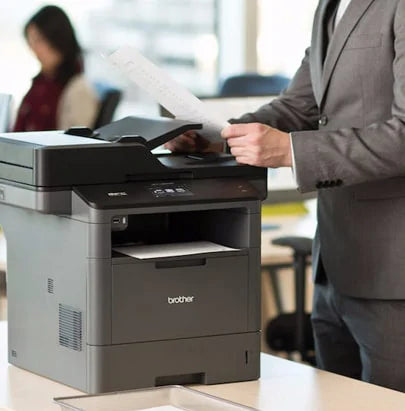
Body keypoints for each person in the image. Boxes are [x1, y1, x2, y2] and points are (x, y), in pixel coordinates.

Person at [166, 0, 405, 392]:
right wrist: (218, 138)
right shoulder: (328, 7)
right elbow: (298, 106)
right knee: (334, 400)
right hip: (334, 263)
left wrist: (292, 151)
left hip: (393, 273)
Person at [13, 5, 99, 132]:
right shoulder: (41, 84)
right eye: (30, 42)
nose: (34, 49)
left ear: (58, 39)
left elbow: (73, 147)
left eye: (39, 40)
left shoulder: (77, 89)